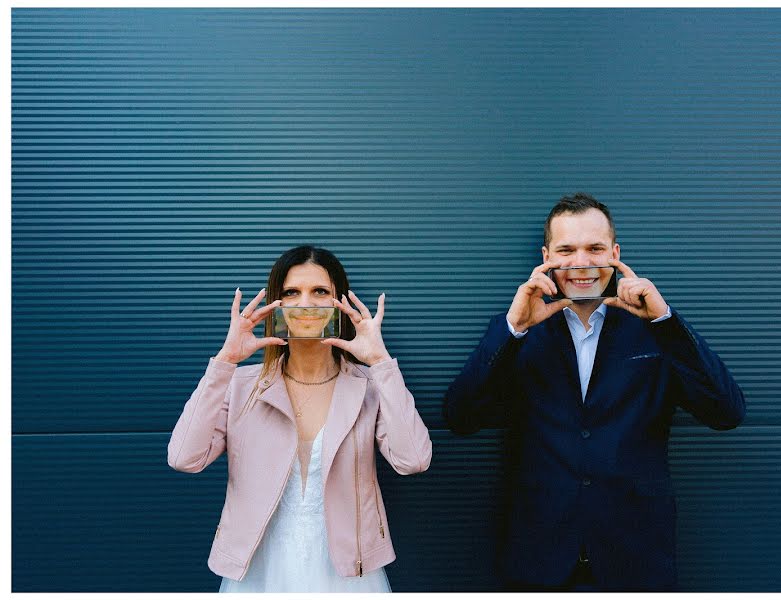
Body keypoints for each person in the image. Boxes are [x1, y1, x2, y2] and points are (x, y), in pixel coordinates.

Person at [443, 193, 745, 591]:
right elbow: (460, 418)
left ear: (615, 253)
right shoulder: (517, 330)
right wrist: (514, 329)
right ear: (546, 256)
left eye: (595, 248)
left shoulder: (655, 329)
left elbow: (726, 412)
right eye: (566, 250)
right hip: (538, 561)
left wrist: (667, 322)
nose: (581, 263)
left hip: (635, 561)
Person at [168, 245, 432, 592]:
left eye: (320, 292)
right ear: (276, 305)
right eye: (291, 293)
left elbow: (412, 460)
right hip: (258, 576)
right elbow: (184, 457)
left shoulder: (368, 387)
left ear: (341, 303)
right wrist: (225, 361)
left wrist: (380, 363)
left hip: (350, 577)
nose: (305, 303)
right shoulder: (240, 385)